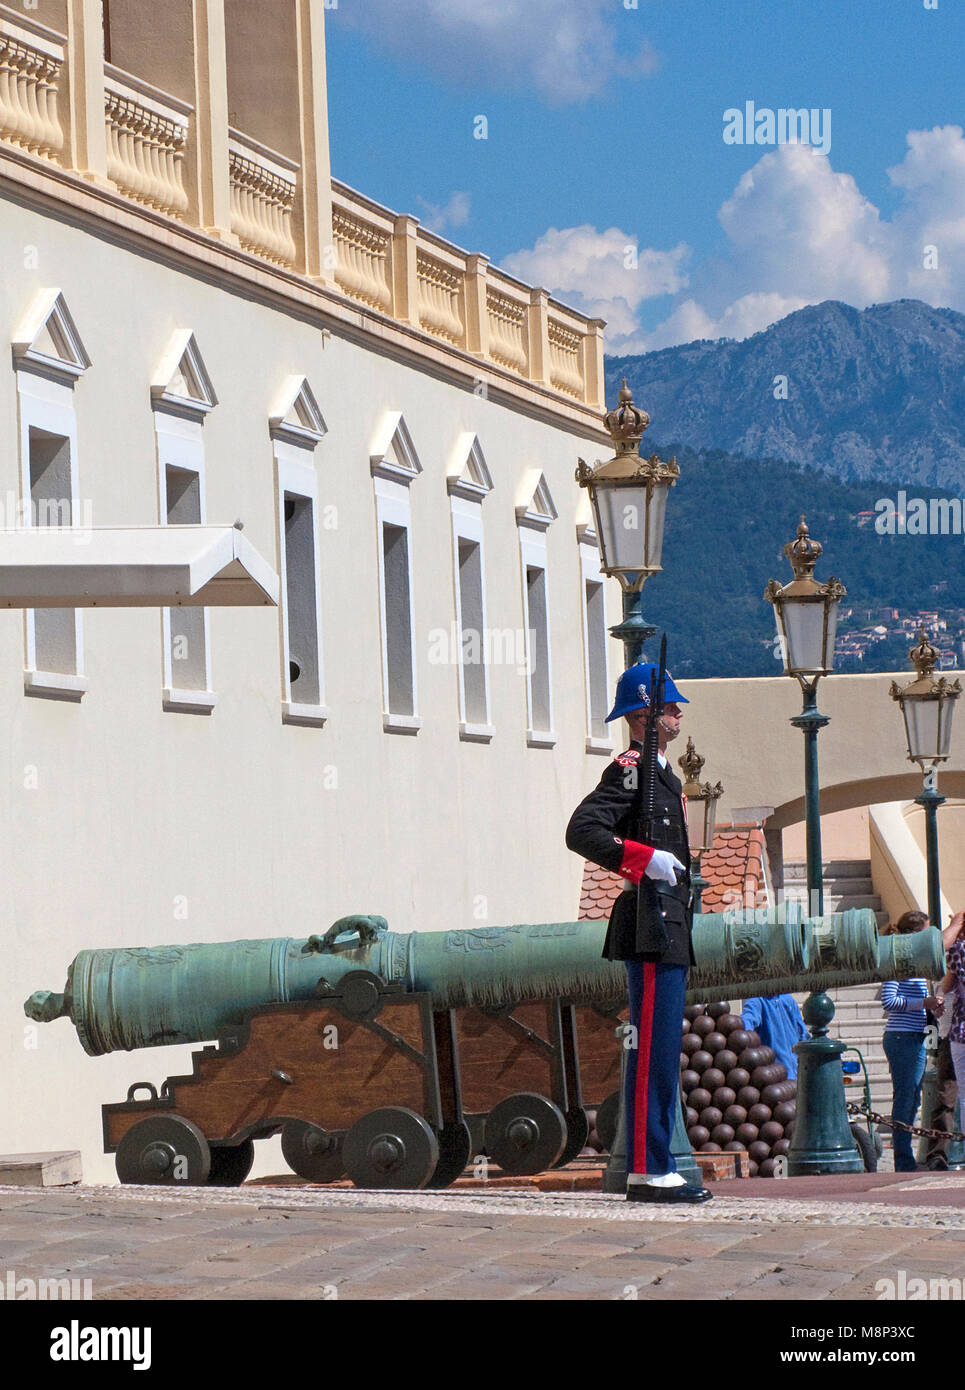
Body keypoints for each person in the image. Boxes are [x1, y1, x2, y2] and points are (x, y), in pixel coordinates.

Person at [566, 661, 712, 1205]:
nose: (677, 713)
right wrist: (642, 859)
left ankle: (652, 1165)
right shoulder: (632, 768)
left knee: (661, 1045)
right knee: (651, 1046)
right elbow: (582, 831)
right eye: (669, 707)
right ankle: (651, 1170)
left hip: (667, 922)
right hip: (649, 922)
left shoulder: (659, 771)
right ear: (644, 717)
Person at [879, 910, 945, 1172]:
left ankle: (905, 1158)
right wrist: (924, 1002)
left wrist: (930, 1008)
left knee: (911, 1098)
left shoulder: (913, 966)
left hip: (913, 1036)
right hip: (902, 1037)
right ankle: (903, 1160)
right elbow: (889, 1001)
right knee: (905, 1099)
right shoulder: (898, 964)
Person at [740, 994, 809, 1079]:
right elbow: (747, 1020)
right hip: (776, 1076)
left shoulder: (788, 999)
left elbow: (802, 1032)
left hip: (797, 1071)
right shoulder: (757, 1001)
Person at [938, 910, 965, 1127]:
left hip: (961, 1030)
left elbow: (946, 986)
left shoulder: (959, 950)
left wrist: (955, 927)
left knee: (964, 1096)